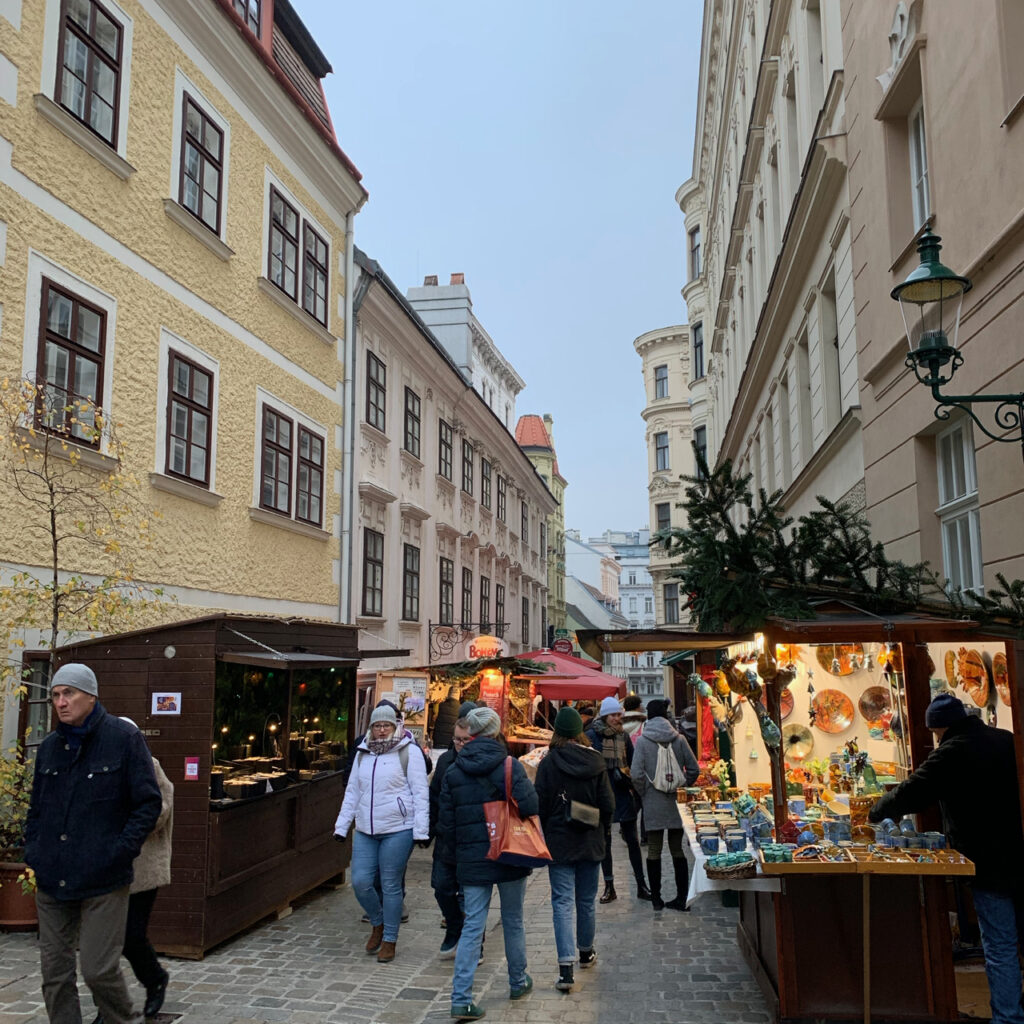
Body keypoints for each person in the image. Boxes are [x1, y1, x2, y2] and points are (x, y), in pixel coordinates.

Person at [868, 693, 1024, 1024]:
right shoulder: (1006, 739)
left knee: (1000, 945)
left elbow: (912, 791)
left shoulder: (952, 752)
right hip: (1019, 852)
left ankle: (1009, 1018)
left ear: (940, 728)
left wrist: (876, 812)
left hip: (988, 862)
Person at [24, 664, 162, 1024]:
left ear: (91, 695)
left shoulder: (123, 738)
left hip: (104, 878)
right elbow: (36, 808)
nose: (60, 702)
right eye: (55, 695)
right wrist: (35, 852)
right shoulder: (51, 748)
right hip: (53, 877)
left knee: (98, 969)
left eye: (68, 693)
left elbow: (149, 803)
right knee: (55, 974)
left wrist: (120, 851)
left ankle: (122, 1020)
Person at [438, 706, 538, 1021]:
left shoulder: (453, 771)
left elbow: (447, 826)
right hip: (509, 853)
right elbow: (532, 807)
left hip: (471, 860)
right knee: (513, 921)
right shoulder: (510, 766)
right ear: (494, 732)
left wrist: (454, 864)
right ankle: (518, 981)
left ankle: (461, 998)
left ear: (471, 733)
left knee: (472, 926)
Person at [92, 720, 175, 1024]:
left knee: (131, 935)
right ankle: (107, 1007)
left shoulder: (149, 766)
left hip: (142, 869)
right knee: (103, 942)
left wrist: (120, 824)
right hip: (106, 868)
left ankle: (154, 979)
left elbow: (159, 809)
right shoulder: (101, 764)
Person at [333, 704, 429, 963]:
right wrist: (342, 826)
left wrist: (421, 831)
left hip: (398, 828)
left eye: (387, 725)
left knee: (390, 885)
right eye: (377, 725)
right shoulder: (363, 752)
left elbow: (420, 792)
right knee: (361, 882)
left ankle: (390, 939)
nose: (382, 729)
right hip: (366, 828)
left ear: (395, 725)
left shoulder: (409, 751)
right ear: (371, 728)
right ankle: (378, 923)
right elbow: (352, 791)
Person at [534, 706, 614, 994]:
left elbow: (539, 806)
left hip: (559, 842)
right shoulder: (596, 762)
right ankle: (586, 952)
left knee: (562, 903)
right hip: (590, 840)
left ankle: (566, 969)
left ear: (557, 731)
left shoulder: (548, 763)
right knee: (586, 900)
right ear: (580, 731)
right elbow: (609, 806)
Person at [631, 698, 700, 911]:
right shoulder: (678, 739)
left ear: (649, 717)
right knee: (677, 849)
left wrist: (645, 793)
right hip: (675, 804)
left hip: (652, 802)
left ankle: (657, 900)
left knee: (653, 850)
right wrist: (682, 787)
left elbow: (636, 774)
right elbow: (694, 769)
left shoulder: (643, 742)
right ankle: (681, 898)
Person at [585, 696, 651, 903]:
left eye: (618, 714)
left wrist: (630, 780)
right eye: (612, 715)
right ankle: (609, 886)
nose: (616, 718)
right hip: (602, 793)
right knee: (605, 841)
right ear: (604, 716)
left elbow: (632, 762)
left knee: (632, 840)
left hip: (622, 792)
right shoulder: (591, 736)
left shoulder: (623, 737)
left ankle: (641, 885)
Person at [429, 703, 477, 957]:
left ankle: (471, 941)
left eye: (465, 740)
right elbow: (434, 796)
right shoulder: (446, 761)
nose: (460, 744)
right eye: (457, 740)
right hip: (447, 837)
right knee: (441, 887)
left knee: (469, 893)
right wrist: (428, 830)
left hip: (472, 839)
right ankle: (455, 925)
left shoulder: (485, 762)